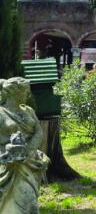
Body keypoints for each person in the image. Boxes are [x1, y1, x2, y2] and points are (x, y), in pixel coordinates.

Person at [0, 77, 50, 213]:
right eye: (25, 91)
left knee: (30, 203)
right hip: (8, 165)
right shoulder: (1, 113)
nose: (28, 95)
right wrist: (9, 153)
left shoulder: (28, 110)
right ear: (12, 92)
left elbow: (39, 132)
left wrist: (28, 150)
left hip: (30, 162)